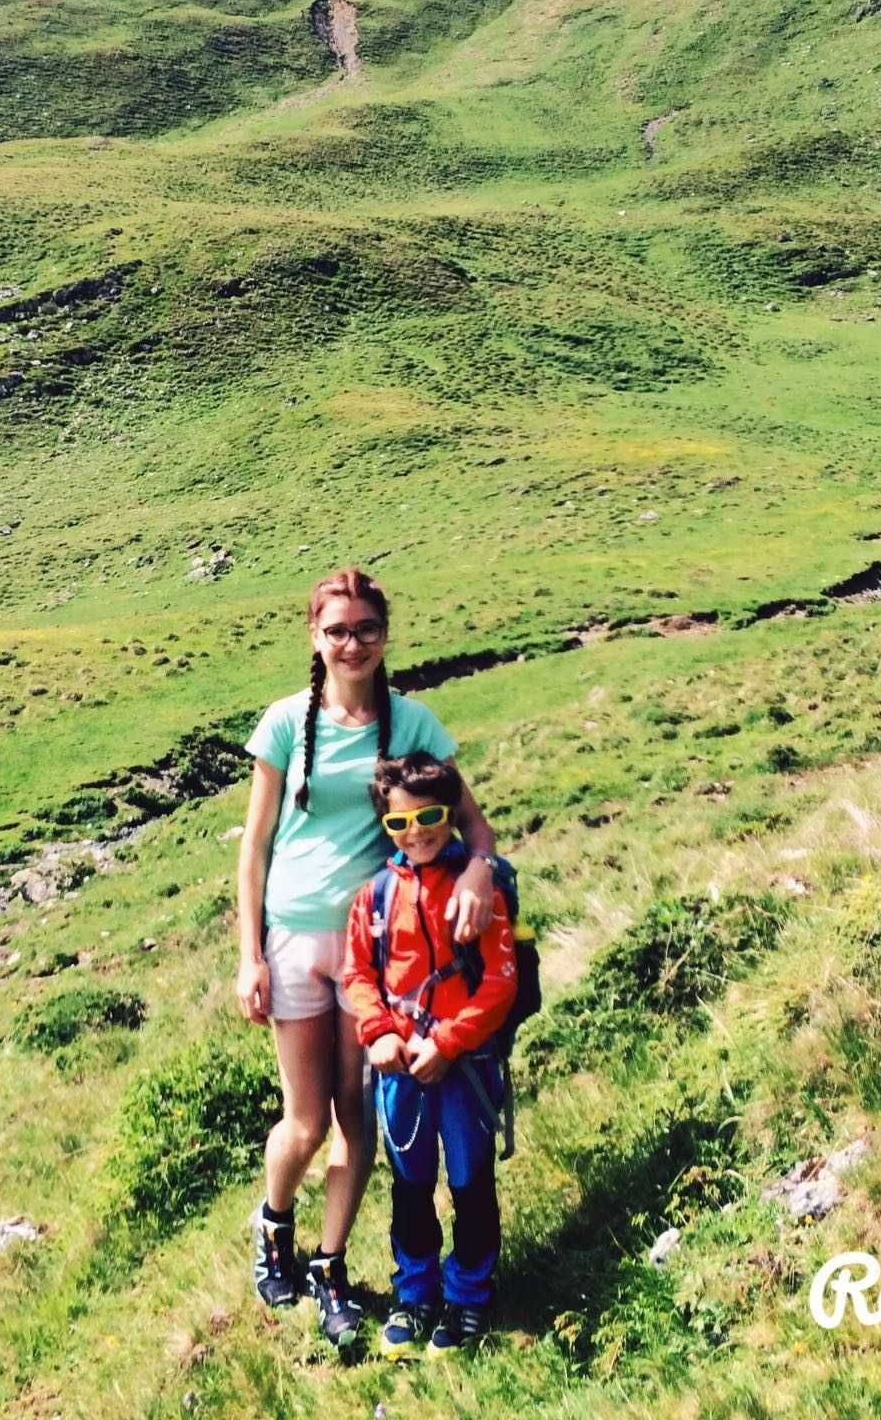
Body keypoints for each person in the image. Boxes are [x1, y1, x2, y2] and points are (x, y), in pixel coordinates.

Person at [236, 568, 499, 1349]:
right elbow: (254, 847)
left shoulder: (413, 721)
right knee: (305, 1123)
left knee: (358, 1122)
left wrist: (479, 871)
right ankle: (274, 1224)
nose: (353, 644)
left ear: (386, 634)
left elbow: (475, 827)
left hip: (373, 952)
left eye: (367, 629)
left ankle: (330, 1267)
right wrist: (248, 955)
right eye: (338, 631)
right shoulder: (284, 724)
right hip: (291, 937)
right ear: (315, 637)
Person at [343, 754, 518, 1359]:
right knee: (410, 1186)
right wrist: (378, 1033)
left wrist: (448, 1042)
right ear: (385, 826)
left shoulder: (478, 891)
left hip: (465, 1067)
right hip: (399, 1069)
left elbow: (499, 982)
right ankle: (415, 1293)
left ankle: (469, 1293)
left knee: (471, 1182)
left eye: (430, 817)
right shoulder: (374, 897)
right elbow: (358, 974)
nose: (416, 833)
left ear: (450, 813)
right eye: (399, 823)